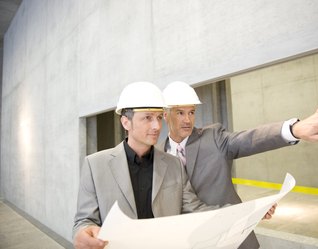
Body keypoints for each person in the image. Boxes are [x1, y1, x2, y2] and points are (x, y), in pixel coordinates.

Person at [158, 81, 318, 249]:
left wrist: (292, 130)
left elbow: (249, 139)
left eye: (191, 112)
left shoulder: (213, 137)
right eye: (180, 113)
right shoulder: (158, 157)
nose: (188, 120)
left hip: (234, 239)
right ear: (165, 115)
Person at [73, 82, 221, 249]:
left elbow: (194, 210)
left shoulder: (174, 165)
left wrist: (233, 215)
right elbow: (84, 221)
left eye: (159, 117)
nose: (157, 126)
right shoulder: (95, 165)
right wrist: (84, 232)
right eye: (148, 118)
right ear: (126, 122)